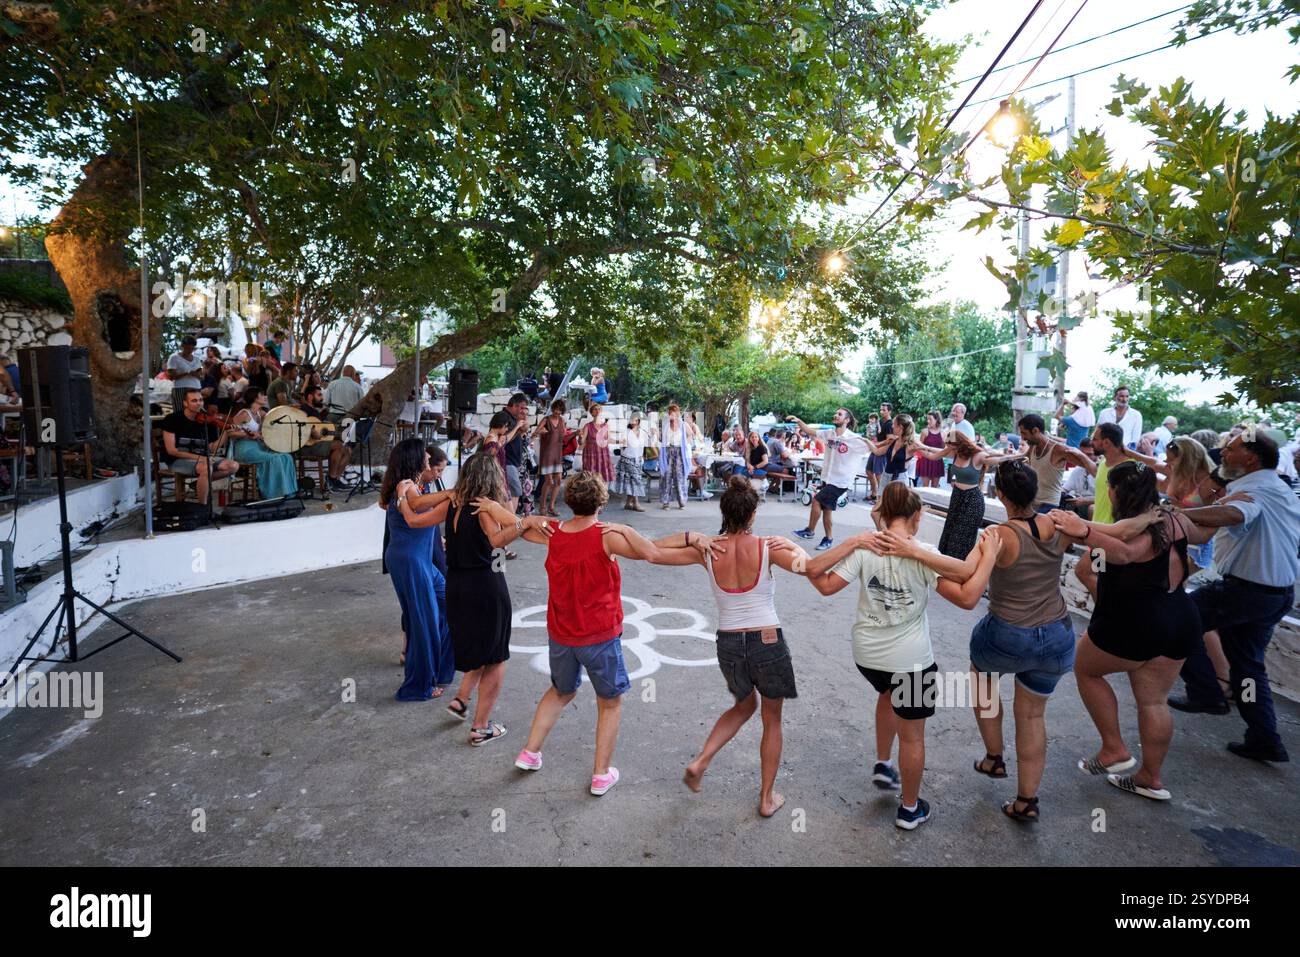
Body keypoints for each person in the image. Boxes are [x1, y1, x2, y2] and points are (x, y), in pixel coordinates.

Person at [803, 483, 1003, 830]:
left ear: (884, 513)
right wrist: (988, 557)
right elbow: (968, 596)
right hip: (910, 663)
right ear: (917, 516)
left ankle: (883, 763)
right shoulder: (923, 554)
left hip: (867, 657)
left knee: (886, 694)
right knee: (912, 736)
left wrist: (853, 541)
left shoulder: (867, 549)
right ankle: (910, 808)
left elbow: (823, 583)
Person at [618, 476, 805, 816]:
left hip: (729, 643)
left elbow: (652, 553)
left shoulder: (707, 550)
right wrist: (799, 547)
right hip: (767, 639)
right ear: (752, 515)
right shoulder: (767, 547)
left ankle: (702, 760)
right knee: (772, 718)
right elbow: (812, 568)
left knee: (743, 706)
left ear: (725, 511)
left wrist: (690, 537)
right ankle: (766, 798)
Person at [911, 461, 1086, 822]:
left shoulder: (999, 536)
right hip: (1056, 634)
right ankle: (1026, 800)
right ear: (1035, 491)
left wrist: (914, 552)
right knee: (1033, 714)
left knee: (983, 685)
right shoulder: (1058, 523)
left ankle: (994, 758)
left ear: (1000, 494)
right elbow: (1096, 532)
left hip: (1007, 634)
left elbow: (962, 572)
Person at [510, 472, 698, 795]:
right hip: (599, 635)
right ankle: (600, 773)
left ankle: (529, 752)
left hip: (561, 634)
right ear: (601, 501)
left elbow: (522, 530)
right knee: (609, 702)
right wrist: (632, 529)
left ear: (569, 501)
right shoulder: (606, 535)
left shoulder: (553, 533)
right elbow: (649, 552)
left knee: (560, 691)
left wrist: (527, 519)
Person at [1047, 462, 1209, 801]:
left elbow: (1123, 552)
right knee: (1153, 701)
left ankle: (1114, 749)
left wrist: (1083, 531)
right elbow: (1201, 534)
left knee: (1085, 668)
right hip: (1179, 615)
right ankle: (1150, 778)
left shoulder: (1139, 531)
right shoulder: (1170, 519)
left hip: (1140, 621)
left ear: (1115, 491)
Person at [1169, 432, 1299, 763]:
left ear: (1251, 458)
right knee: (1248, 666)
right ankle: (1264, 738)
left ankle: (1206, 692)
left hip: (1248, 590)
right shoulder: (1275, 486)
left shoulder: (1256, 489)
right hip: (1274, 593)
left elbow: (1234, 515)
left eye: (1231, 448)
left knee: (1177, 617)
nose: (1223, 452)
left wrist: (1179, 516)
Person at [409, 451, 551, 745]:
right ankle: (481, 727)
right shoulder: (485, 507)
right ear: (492, 477)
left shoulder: (452, 502)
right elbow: (497, 540)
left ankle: (461, 700)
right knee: (496, 656)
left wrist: (402, 495)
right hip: (485, 585)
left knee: (480, 647)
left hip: (457, 585)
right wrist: (524, 523)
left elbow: (415, 521)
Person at [380, 439, 455, 700]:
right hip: (409, 561)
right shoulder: (406, 486)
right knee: (423, 621)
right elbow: (420, 507)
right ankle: (417, 686)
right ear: (414, 458)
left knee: (448, 604)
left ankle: (441, 669)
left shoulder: (416, 485)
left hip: (419, 560)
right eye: (423, 452)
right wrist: (451, 494)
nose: (427, 455)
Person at [911, 429, 1021, 558]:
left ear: (959, 444)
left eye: (950, 445)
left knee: (962, 536)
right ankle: (946, 564)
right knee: (950, 532)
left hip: (972, 500)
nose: (948, 448)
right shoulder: (954, 452)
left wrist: (1018, 455)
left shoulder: (977, 455)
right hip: (957, 496)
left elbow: (998, 459)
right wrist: (919, 447)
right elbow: (934, 454)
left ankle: (958, 567)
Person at [788, 408, 870, 551]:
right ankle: (828, 539)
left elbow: (874, 447)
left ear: (847, 420)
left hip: (841, 481)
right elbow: (809, 431)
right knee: (827, 510)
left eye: (840, 414)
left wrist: (891, 442)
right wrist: (799, 421)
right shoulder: (829, 434)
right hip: (828, 478)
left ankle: (810, 531)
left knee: (816, 500)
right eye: (836, 413)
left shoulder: (853, 438)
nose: (835, 415)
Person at [159, 388, 240, 504]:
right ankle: (202, 507)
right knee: (207, 467)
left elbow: (212, 447)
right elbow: (172, 450)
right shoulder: (172, 419)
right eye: (194, 401)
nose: (199, 403)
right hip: (177, 460)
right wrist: (200, 458)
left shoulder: (207, 421)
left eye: (201, 400)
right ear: (185, 403)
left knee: (233, 466)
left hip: (202, 460)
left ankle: (198, 484)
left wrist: (226, 432)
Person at [227, 387, 299, 499]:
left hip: (259, 447)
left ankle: (288, 492)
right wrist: (247, 434)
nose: (266, 397)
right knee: (275, 459)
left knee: (286, 457)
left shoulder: (261, 413)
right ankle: (274, 494)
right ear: (254, 397)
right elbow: (230, 432)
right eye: (262, 394)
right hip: (245, 449)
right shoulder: (244, 413)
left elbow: (268, 430)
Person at [1018, 413, 1095, 513]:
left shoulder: (1059, 449)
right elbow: (1020, 457)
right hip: (1033, 502)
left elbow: (1089, 466)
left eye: (1024, 433)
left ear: (1035, 431)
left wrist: (1081, 454)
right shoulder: (1033, 446)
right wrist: (999, 458)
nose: (1022, 438)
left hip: (1049, 505)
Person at [298, 384, 352, 489]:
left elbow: (318, 425)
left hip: (317, 444)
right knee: (339, 446)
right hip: (307, 446)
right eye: (319, 395)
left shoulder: (314, 411)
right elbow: (299, 421)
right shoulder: (303, 409)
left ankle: (334, 479)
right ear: (310, 397)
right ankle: (331, 479)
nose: (322, 398)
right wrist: (312, 430)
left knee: (348, 450)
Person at [1088, 422, 1131, 524]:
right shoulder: (1103, 462)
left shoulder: (1130, 467)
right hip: (1097, 528)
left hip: (1114, 532)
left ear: (1107, 443)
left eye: (1094, 439)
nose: (1090, 442)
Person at [864, 412, 915, 492]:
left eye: (894, 424)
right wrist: (866, 441)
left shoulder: (911, 444)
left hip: (900, 478)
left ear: (900, 427)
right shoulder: (893, 441)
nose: (892, 426)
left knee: (896, 503)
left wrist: (941, 451)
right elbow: (877, 451)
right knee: (881, 501)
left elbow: (929, 452)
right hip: (886, 475)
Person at [534, 399, 568, 515]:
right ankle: (542, 507)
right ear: (553, 409)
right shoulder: (546, 419)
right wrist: (540, 431)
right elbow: (535, 433)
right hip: (547, 454)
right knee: (548, 481)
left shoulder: (562, 421)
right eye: (556, 409)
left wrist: (575, 433)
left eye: (560, 410)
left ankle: (551, 507)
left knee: (558, 481)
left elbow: (563, 438)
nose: (557, 412)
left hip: (557, 454)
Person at [612, 412, 649, 511]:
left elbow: (644, 446)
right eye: (632, 420)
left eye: (636, 420)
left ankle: (628, 503)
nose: (634, 422)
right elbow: (622, 445)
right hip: (627, 458)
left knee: (630, 481)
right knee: (635, 480)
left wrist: (643, 457)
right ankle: (636, 503)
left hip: (638, 460)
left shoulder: (643, 432)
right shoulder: (626, 432)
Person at [501, 392, 530, 512]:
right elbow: (503, 439)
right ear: (515, 405)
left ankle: (509, 520)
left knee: (513, 491)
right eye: (521, 407)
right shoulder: (504, 417)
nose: (522, 411)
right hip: (507, 461)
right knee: (516, 490)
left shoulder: (511, 418)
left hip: (512, 461)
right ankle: (510, 521)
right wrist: (517, 428)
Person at [658, 403, 690, 509]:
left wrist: (687, 446)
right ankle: (665, 502)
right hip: (668, 452)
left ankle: (682, 502)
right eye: (670, 413)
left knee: (679, 477)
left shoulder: (683, 425)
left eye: (674, 413)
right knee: (666, 477)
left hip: (679, 452)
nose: (672, 415)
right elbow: (661, 439)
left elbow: (690, 435)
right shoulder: (666, 425)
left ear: (677, 413)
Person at [1097, 385, 1143, 449]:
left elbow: (1135, 439)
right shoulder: (1104, 413)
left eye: (1127, 396)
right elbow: (1098, 432)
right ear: (1115, 397)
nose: (1124, 399)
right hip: (1104, 450)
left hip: (1126, 452)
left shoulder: (1136, 415)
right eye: (1121, 396)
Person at [578, 402, 613, 485]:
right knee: (590, 477)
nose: (597, 411)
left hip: (602, 453)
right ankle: (591, 494)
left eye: (599, 409)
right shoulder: (588, 426)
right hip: (591, 453)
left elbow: (608, 440)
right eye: (595, 409)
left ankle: (602, 495)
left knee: (602, 477)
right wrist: (580, 437)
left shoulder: (606, 426)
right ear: (591, 413)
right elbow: (581, 442)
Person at [166, 335, 203, 408]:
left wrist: (197, 374)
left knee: (196, 411)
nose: (190, 350)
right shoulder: (174, 357)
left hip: (196, 387)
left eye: (192, 348)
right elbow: (171, 376)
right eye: (187, 348)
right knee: (180, 411)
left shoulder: (197, 359)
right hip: (180, 388)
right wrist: (187, 373)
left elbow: (201, 376)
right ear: (182, 346)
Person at [866, 403, 894, 501]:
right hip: (875, 449)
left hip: (882, 451)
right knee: (869, 471)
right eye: (881, 410)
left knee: (879, 474)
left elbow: (890, 440)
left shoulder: (890, 423)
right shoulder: (880, 421)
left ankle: (882, 499)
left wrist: (877, 445)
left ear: (889, 411)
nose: (881, 412)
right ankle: (874, 493)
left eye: (884, 410)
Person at [915, 411, 946, 488]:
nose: (928, 421)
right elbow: (920, 447)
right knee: (924, 487)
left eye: (930, 419)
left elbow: (944, 449)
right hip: (925, 461)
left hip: (937, 461)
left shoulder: (943, 433)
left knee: (935, 487)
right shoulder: (925, 431)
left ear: (936, 420)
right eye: (927, 419)